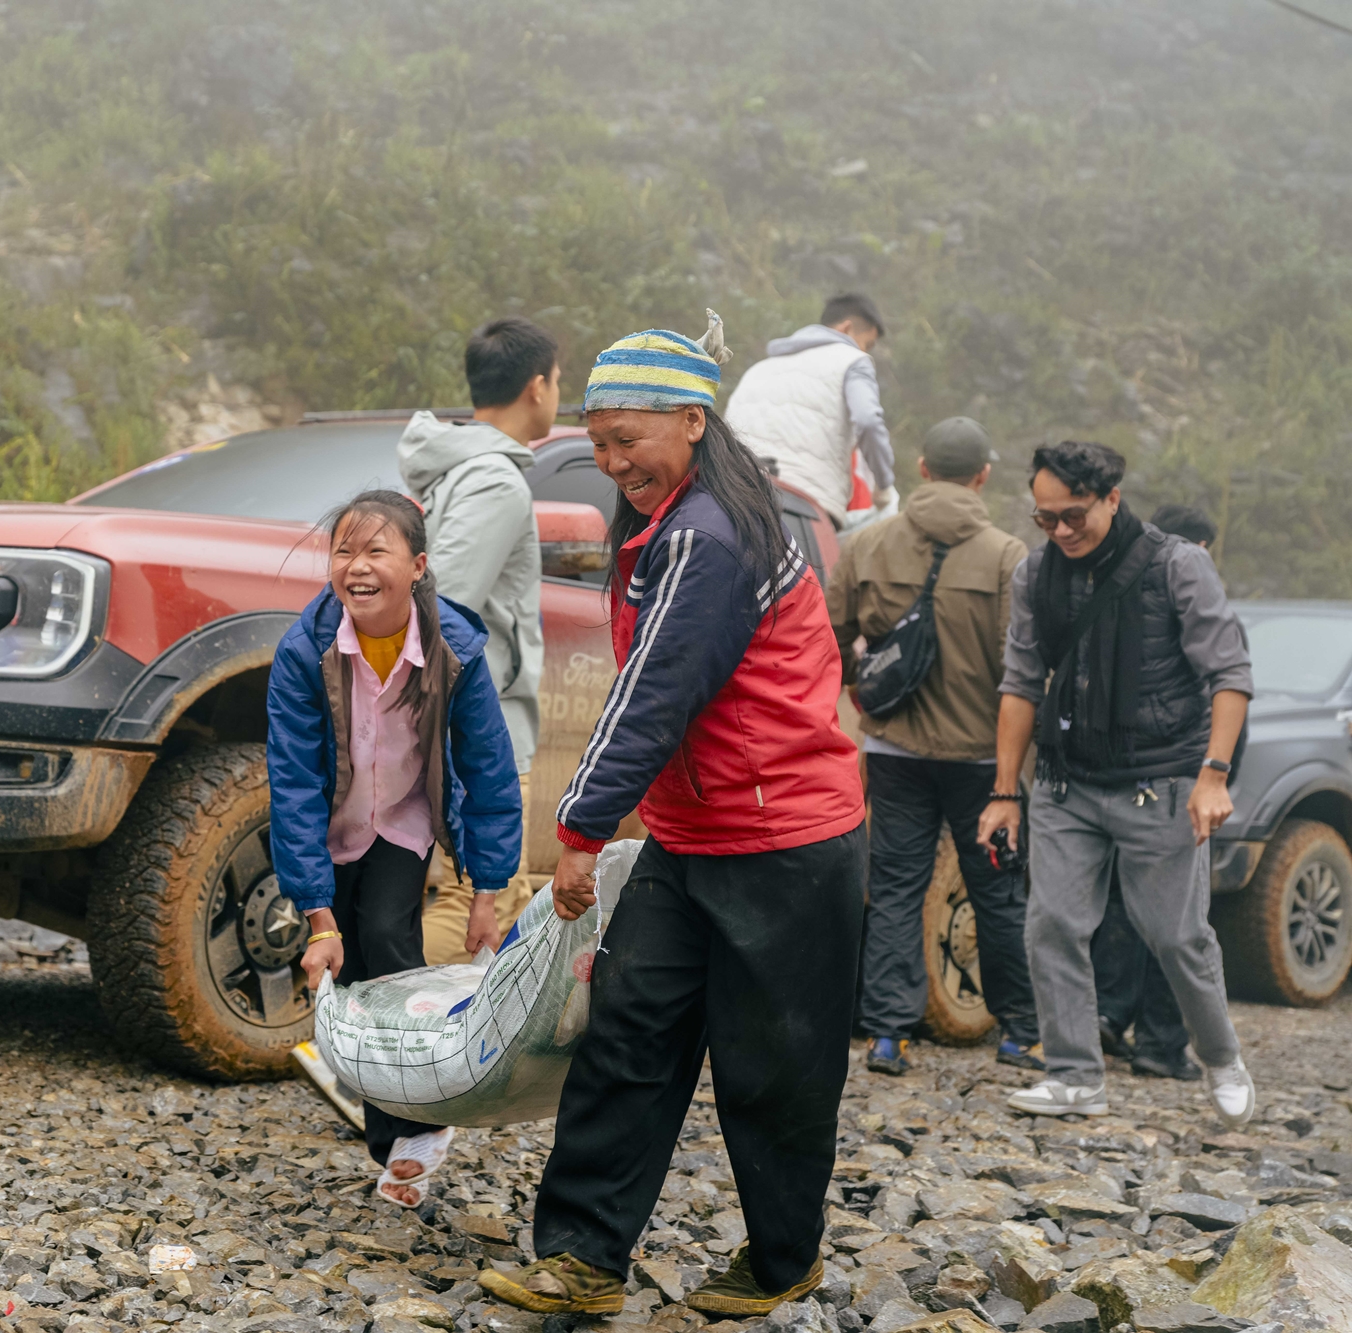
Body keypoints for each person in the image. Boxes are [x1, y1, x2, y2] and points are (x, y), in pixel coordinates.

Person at [481, 323, 866, 1320]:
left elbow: (655, 693)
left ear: (692, 423)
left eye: (627, 441)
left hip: (785, 839)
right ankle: (581, 1258)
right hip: (693, 836)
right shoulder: (683, 522)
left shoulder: (708, 535)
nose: (611, 464)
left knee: (772, 1066)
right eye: (597, 442)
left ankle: (785, 1257)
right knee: (626, 1036)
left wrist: (579, 828)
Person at [979, 444, 1256, 1125]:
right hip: (1069, 783)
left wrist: (1213, 775)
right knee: (1052, 924)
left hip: (1161, 783)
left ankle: (1221, 1058)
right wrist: (1005, 791)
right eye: (1045, 519)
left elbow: (1230, 673)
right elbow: (1019, 683)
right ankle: (1075, 1074)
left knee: (1175, 935)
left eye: (1073, 515)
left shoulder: (1176, 565)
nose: (1060, 531)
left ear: (1112, 496)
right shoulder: (1036, 571)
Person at [266, 490, 523, 1208]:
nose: (356, 566)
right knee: (344, 967)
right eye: (344, 551)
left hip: (401, 825)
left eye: (375, 551)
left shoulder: (456, 651)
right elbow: (291, 782)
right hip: (329, 828)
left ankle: (415, 1130)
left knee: (385, 940)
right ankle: (398, 1138)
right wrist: (316, 913)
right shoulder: (304, 652)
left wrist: (488, 893)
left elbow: (489, 771)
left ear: (417, 565)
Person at [824, 417, 1042, 1077]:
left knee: (893, 888)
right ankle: (1019, 1032)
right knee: (997, 892)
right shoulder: (1009, 557)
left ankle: (889, 1034)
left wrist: (865, 689)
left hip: (894, 751)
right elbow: (1023, 669)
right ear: (982, 475)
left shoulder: (864, 545)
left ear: (920, 467)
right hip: (983, 759)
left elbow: (830, 638)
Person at [397, 317, 553, 965]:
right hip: (481, 719)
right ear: (538, 387)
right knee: (473, 898)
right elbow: (448, 604)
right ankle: (382, 1042)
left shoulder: (460, 472)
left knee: (500, 897)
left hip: (467, 715)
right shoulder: (494, 480)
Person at [1091, 502, 1222, 1081]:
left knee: (1123, 904)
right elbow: (1220, 695)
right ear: (1196, 549)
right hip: (1177, 783)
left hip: (1116, 782)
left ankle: (1107, 1015)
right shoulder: (1196, 603)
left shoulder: (1111, 596)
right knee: (1179, 918)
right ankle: (1162, 1046)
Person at [723, 293, 896, 530]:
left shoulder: (759, 369)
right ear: (847, 328)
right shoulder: (853, 360)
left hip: (734, 503)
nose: (865, 351)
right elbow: (867, 420)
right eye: (867, 344)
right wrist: (884, 485)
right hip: (802, 510)